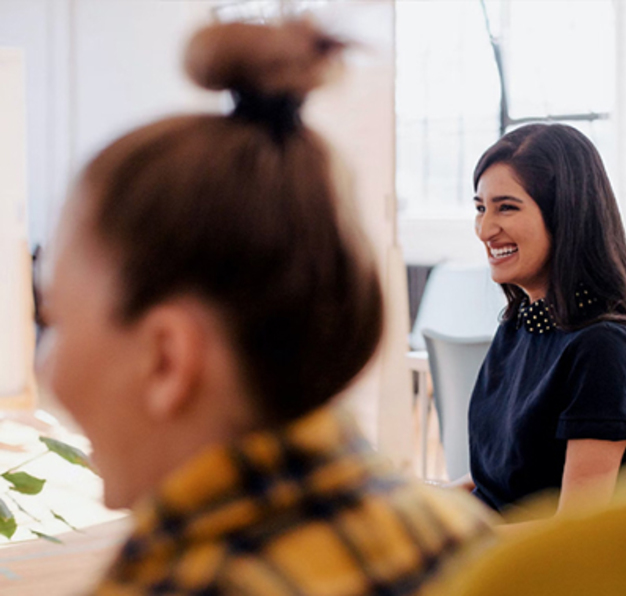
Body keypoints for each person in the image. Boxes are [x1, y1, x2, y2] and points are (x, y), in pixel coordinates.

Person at [36, 19, 492, 596]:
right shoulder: (457, 535)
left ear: (167, 357)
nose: (45, 369)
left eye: (54, 319)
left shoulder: (172, 582)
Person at [467, 123, 626, 515]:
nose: (484, 229)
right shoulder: (519, 323)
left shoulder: (603, 349)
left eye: (506, 207)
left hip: (520, 563)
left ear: (566, 214)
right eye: (480, 208)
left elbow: (573, 527)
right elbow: (491, 484)